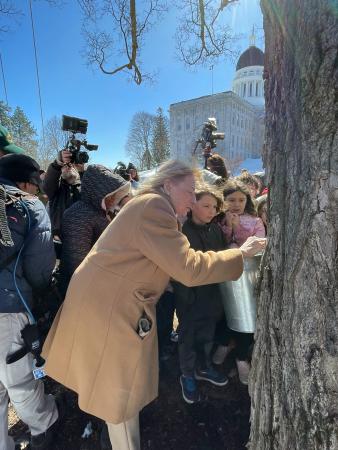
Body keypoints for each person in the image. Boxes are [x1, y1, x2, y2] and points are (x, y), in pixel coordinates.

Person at [43, 160, 265, 450]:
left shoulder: (153, 206)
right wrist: (241, 254)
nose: (193, 199)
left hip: (110, 302)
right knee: (116, 395)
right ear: (168, 184)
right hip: (111, 307)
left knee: (116, 389)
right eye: (189, 192)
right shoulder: (154, 207)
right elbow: (188, 267)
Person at [0, 154, 59, 450]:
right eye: (35, 184)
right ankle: (43, 426)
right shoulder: (26, 203)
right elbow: (39, 268)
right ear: (25, 181)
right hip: (9, 309)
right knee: (20, 378)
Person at [173, 187, 229, 404]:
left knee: (207, 333)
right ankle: (187, 374)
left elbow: (223, 257)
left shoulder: (215, 230)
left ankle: (203, 366)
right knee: (188, 336)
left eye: (214, 207)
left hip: (212, 294)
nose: (211, 211)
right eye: (206, 205)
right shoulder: (181, 231)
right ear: (192, 205)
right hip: (189, 295)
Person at [215, 179, 266, 383]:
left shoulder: (255, 222)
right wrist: (230, 227)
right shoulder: (219, 222)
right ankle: (224, 343)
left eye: (241, 200)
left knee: (248, 316)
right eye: (231, 200)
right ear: (223, 201)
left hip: (250, 276)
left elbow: (260, 246)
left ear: (248, 201)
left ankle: (241, 358)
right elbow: (223, 246)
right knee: (227, 314)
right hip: (226, 277)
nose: (236, 204)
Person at [58, 165, 131, 296]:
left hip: (99, 281)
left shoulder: (99, 211)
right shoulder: (78, 215)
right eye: (111, 196)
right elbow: (77, 263)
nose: (114, 200)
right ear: (98, 192)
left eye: (115, 196)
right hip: (82, 289)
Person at [43, 149, 82, 238]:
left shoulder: (84, 187)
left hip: (80, 236)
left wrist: (83, 171)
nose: (68, 167)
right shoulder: (56, 189)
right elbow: (47, 186)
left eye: (71, 165)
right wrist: (57, 164)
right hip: (59, 237)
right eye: (64, 166)